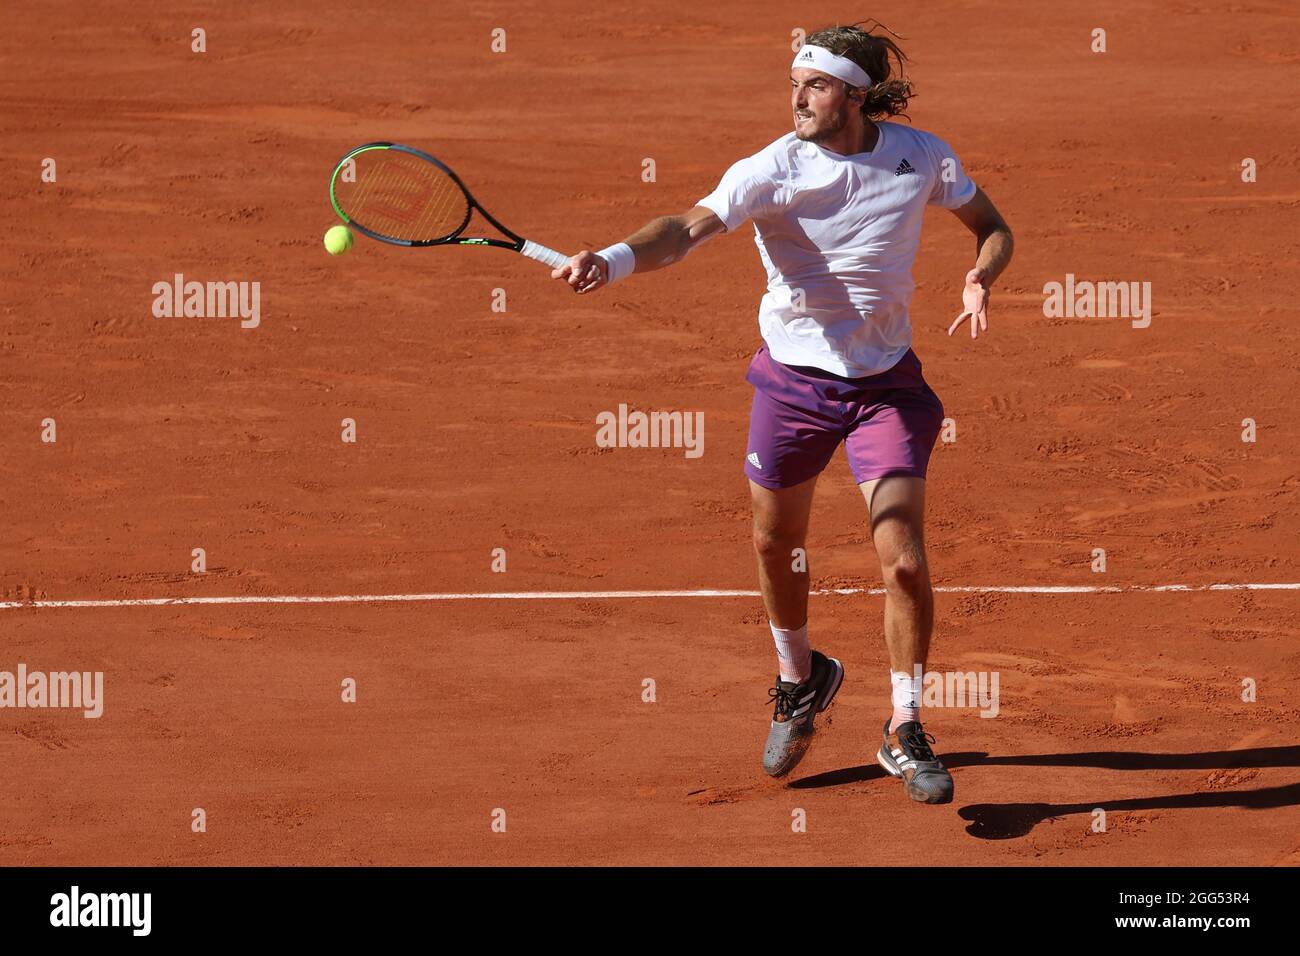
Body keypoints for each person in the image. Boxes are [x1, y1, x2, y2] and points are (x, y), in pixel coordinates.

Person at [552, 24, 1014, 804]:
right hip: (794, 387)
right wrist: (617, 256)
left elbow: (994, 227)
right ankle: (802, 679)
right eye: (794, 83)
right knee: (776, 543)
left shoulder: (922, 156)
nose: (797, 98)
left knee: (901, 556)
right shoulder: (771, 169)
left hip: (886, 389)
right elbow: (685, 229)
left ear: (855, 94)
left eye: (816, 85)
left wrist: (981, 276)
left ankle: (904, 728)